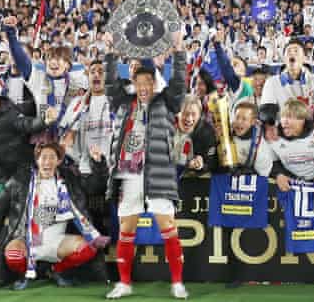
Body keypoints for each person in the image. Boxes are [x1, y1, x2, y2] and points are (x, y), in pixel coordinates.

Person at [103, 31, 188, 300]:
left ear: (155, 84)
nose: (143, 87)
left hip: (159, 173)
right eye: (139, 82)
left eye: (148, 82)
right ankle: (125, 283)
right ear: (134, 83)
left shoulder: (167, 102)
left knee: (168, 227)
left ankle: (177, 283)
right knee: (126, 229)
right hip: (128, 173)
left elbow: (179, 82)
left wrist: (178, 50)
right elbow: (109, 84)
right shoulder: (124, 103)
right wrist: (110, 54)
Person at [0, 142, 109, 290]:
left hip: (57, 240)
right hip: (27, 238)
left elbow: (94, 186)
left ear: (59, 161)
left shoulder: (69, 179)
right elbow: (1, 204)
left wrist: (98, 164)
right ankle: (28, 273)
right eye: (43, 157)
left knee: (89, 247)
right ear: (37, 160)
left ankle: (56, 270)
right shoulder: (21, 179)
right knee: (13, 254)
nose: (47, 162)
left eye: (52, 157)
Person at [3, 16, 87, 142]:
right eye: (50, 59)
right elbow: (21, 60)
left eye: (58, 59)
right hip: (42, 137)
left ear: (67, 65)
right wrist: (11, 33)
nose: (53, 62)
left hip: (68, 138)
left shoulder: (77, 82)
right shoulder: (38, 78)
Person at [0, 85, 51, 184]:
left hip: (22, 166)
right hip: (1, 172)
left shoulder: (9, 115)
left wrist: (44, 121)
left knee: (23, 196)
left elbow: (27, 124)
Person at [268, 98, 314, 196]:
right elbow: (272, 161)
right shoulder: (273, 137)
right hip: (289, 181)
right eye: (283, 116)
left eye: (290, 117)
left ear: (303, 120)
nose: (284, 121)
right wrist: (278, 175)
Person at [63, 60, 115, 176]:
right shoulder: (76, 103)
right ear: (88, 76)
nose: (96, 74)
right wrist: (70, 133)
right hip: (84, 172)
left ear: (106, 77)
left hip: (111, 172)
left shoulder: (115, 103)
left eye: (100, 72)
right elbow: (65, 140)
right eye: (92, 72)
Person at [260, 39, 314, 117]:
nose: (292, 53)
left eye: (296, 51)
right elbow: (267, 112)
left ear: (305, 58)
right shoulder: (271, 82)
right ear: (284, 58)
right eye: (289, 51)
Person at [174, 94, 217, 177]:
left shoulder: (207, 132)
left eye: (193, 114)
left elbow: (212, 163)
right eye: (185, 114)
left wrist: (201, 165)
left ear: (200, 115)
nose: (189, 119)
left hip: (197, 177)